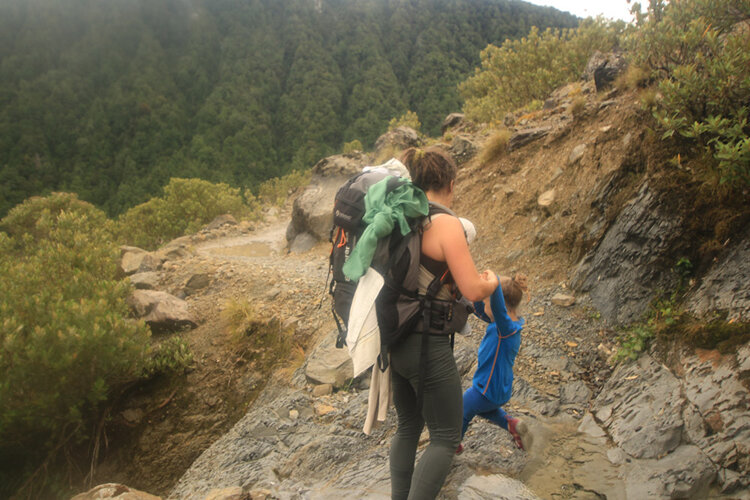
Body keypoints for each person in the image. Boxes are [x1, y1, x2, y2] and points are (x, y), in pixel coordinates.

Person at [389, 147, 498, 500]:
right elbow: (472, 288)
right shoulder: (446, 224)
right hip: (427, 345)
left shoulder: (402, 219)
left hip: (396, 338)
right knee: (446, 436)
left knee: (408, 426)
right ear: (450, 184)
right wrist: (492, 282)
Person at [457, 273, 529, 455]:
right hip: (499, 389)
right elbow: (480, 309)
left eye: (489, 303)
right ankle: (511, 424)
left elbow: (495, 304)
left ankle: (452, 446)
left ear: (500, 307)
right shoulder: (509, 325)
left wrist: (494, 280)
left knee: (463, 410)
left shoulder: (505, 329)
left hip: (486, 389)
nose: (486, 307)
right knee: (480, 408)